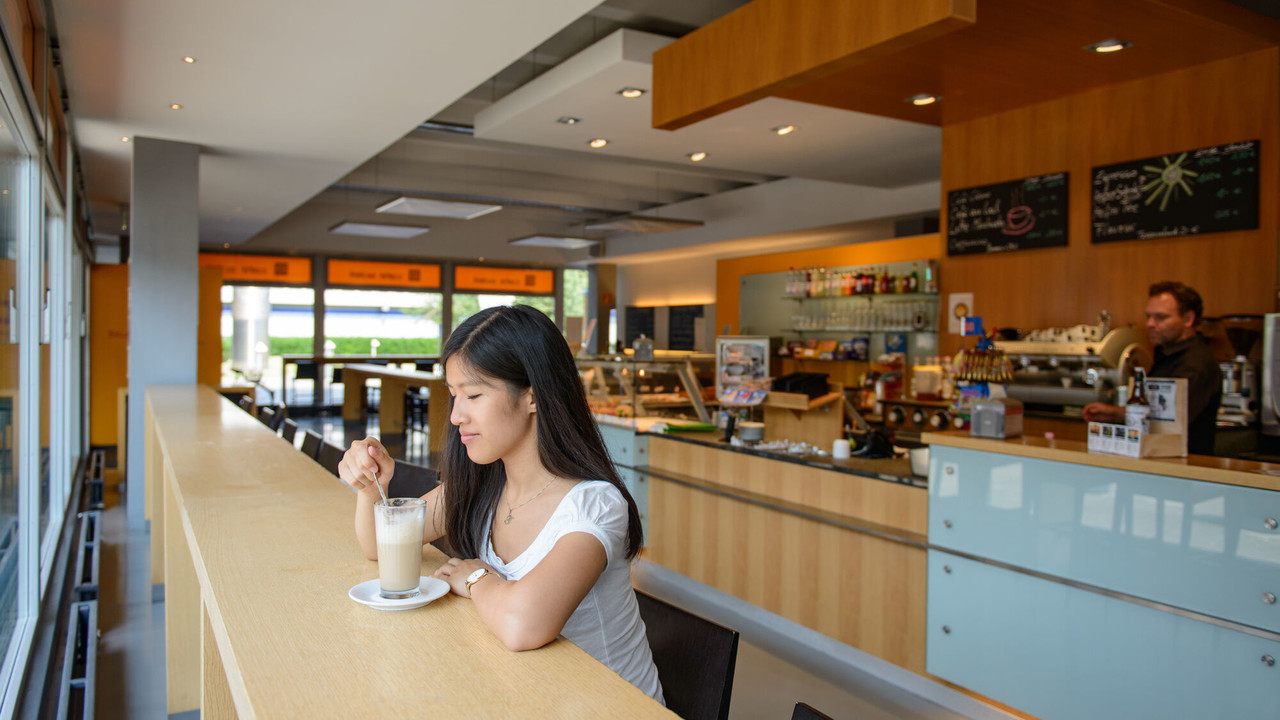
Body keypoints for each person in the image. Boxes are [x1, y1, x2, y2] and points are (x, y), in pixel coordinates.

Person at [337, 304, 664, 702]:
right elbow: (380, 547)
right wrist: (370, 485)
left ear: (532, 396)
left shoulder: (594, 505)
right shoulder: (484, 482)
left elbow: (522, 625)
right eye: (453, 395)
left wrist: (477, 578)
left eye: (473, 394)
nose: (456, 415)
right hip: (531, 696)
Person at [1083, 281, 1222, 455]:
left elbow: (1172, 417)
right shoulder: (1167, 354)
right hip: (1159, 457)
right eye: (1148, 316)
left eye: (1160, 318)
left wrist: (1119, 413)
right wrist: (1118, 416)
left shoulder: (1196, 362)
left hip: (1185, 466)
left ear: (1187, 319)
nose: (1150, 324)